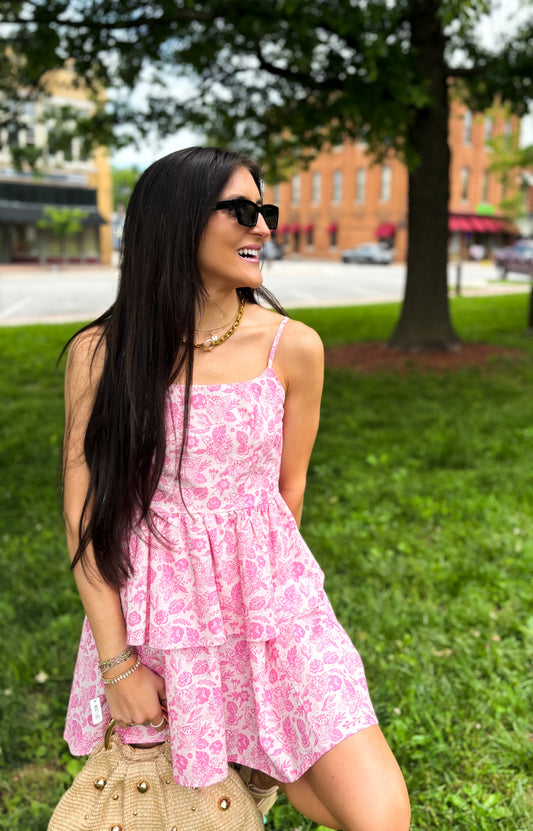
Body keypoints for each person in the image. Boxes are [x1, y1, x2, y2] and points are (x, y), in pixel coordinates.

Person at [61, 146, 410, 831]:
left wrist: (268, 610)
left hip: (274, 615)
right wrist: (117, 663)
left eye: (266, 211)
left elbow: (289, 489)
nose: (262, 228)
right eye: (241, 211)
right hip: (162, 621)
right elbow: (84, 517)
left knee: (378, 815)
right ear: (176, 220)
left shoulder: (294, 348)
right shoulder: (102, 353)